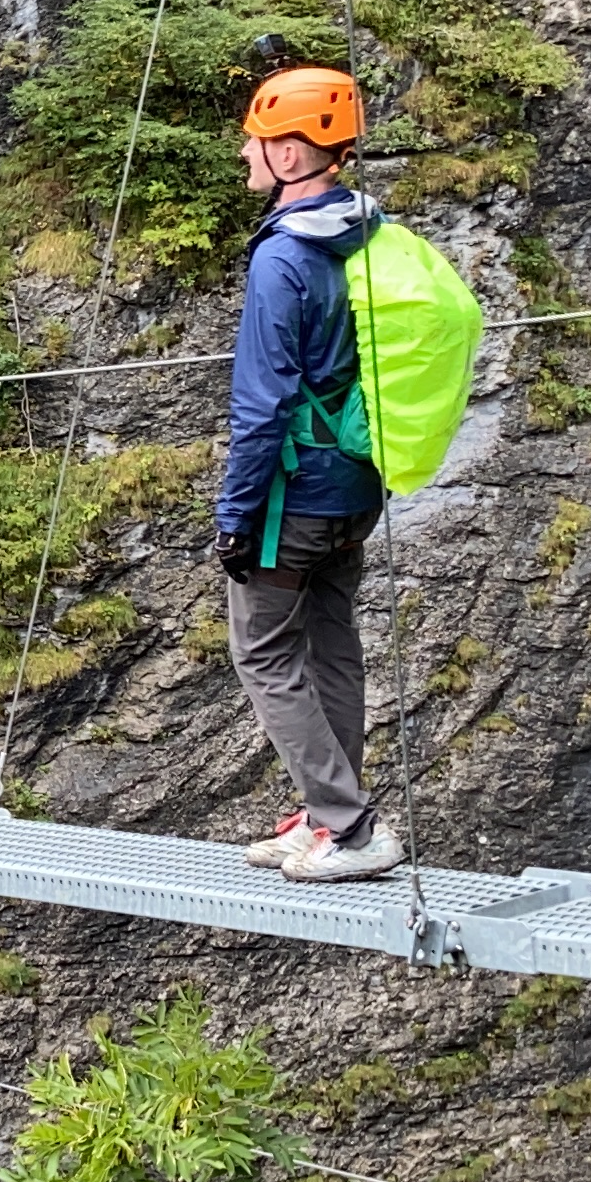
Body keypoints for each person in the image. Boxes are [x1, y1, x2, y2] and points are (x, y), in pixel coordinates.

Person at [213, 65, 405, 883]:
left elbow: (261, 407)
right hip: (357, 485)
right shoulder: (367, 234)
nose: (247, 156)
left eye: (258, 142)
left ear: (293, 154)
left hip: (293, 492)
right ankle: (327, 818)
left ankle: (349, 827)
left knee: (262, 651)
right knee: (331, 645)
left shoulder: (282, 260)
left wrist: (235, 517)